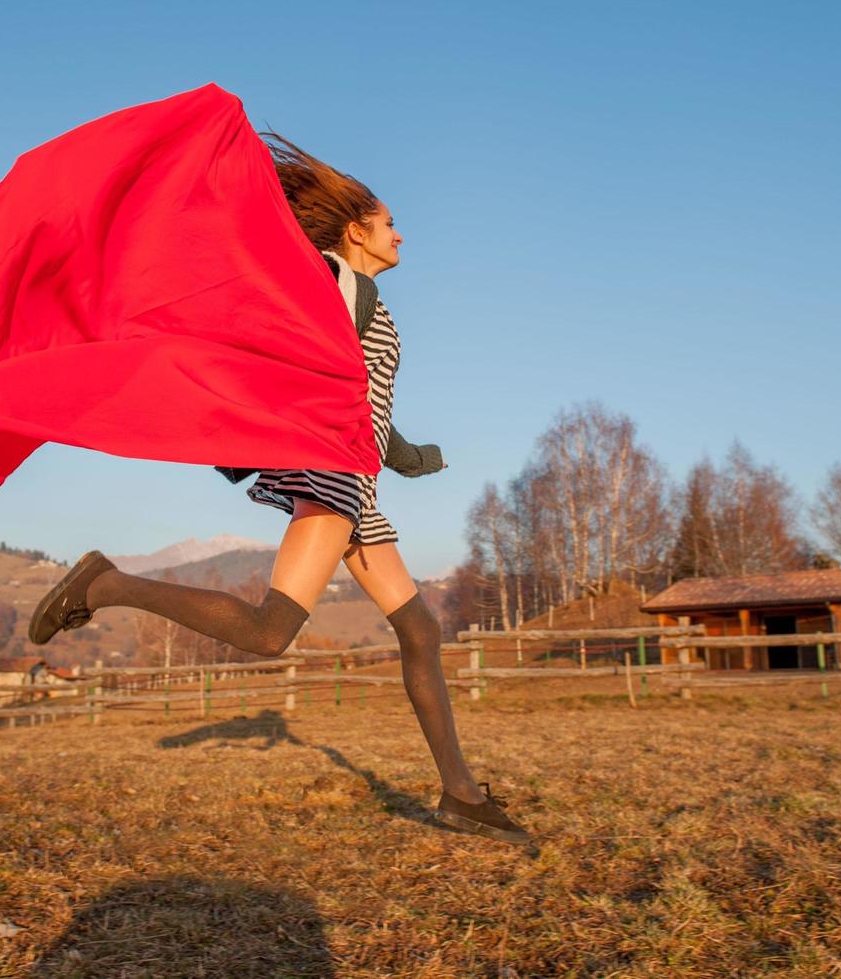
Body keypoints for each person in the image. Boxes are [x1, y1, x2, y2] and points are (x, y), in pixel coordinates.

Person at [29, 134, 532, 849]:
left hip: (353, 478)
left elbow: (359, 403)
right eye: (388, 222)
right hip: (329, 476)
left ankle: (460, 794)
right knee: (270, 632)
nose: (399, 233)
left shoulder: (367, 302)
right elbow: (261, 324)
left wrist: (410, 455)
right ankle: (105, 584)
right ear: (355, 230)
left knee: (418, 629)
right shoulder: (332, 279)